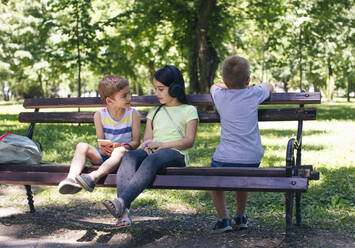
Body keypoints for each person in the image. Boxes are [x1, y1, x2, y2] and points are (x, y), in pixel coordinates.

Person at [102, 65, 199, 228]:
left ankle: (122, 202)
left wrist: (162, 145)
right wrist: (148, 146)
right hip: (155, 154)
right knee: (129, 155)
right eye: (155, 89)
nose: (157, 93)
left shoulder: (189, 110)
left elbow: (189, 141)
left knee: (155, 158)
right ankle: (123, 215)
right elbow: (147, 139)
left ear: (175, 88)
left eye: (161, 89)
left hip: (176, 154)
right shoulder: (154, 111)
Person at [210, 55, 274, 233]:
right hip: (251, 159)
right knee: (242, 179)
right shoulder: (254, 93)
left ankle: (223, 219)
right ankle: (241, 216)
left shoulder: (220, 95)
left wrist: (226, 86)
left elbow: (213, 86)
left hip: (225, 158)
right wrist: (253, 86)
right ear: (248, 80)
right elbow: (270, 86)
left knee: (214, 180)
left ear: (224, 79)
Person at [58, 75, 141, 194]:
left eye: (129, 93)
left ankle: (93, 177)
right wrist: (103, 148)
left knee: (119, 151)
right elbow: (101, 141)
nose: (129, 98)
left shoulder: (133, 114)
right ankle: (71, 179)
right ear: (109, 101)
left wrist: (121, 146)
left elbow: (136, 142)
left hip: (124, 156)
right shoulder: (99, 115)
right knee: (81, 146)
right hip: (106, 156)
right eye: (124, 96)